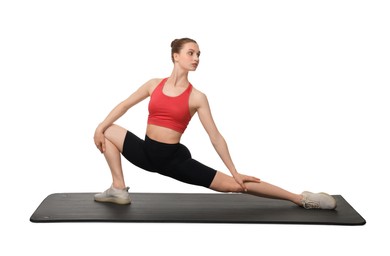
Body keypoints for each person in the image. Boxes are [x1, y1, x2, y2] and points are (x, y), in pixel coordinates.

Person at [93, 37, 337, 209]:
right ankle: (118, 188)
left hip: (173, 160)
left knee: (236, 186)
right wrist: (100, 126)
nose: (196, 58)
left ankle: (300, 198)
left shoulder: (197, 97)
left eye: (199, 54)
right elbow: (125, 104)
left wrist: (235, 171)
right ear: (175, 56)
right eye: (191, 53)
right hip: (147, 153)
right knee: (107, 129)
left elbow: (215, 137)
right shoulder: (153, 84)